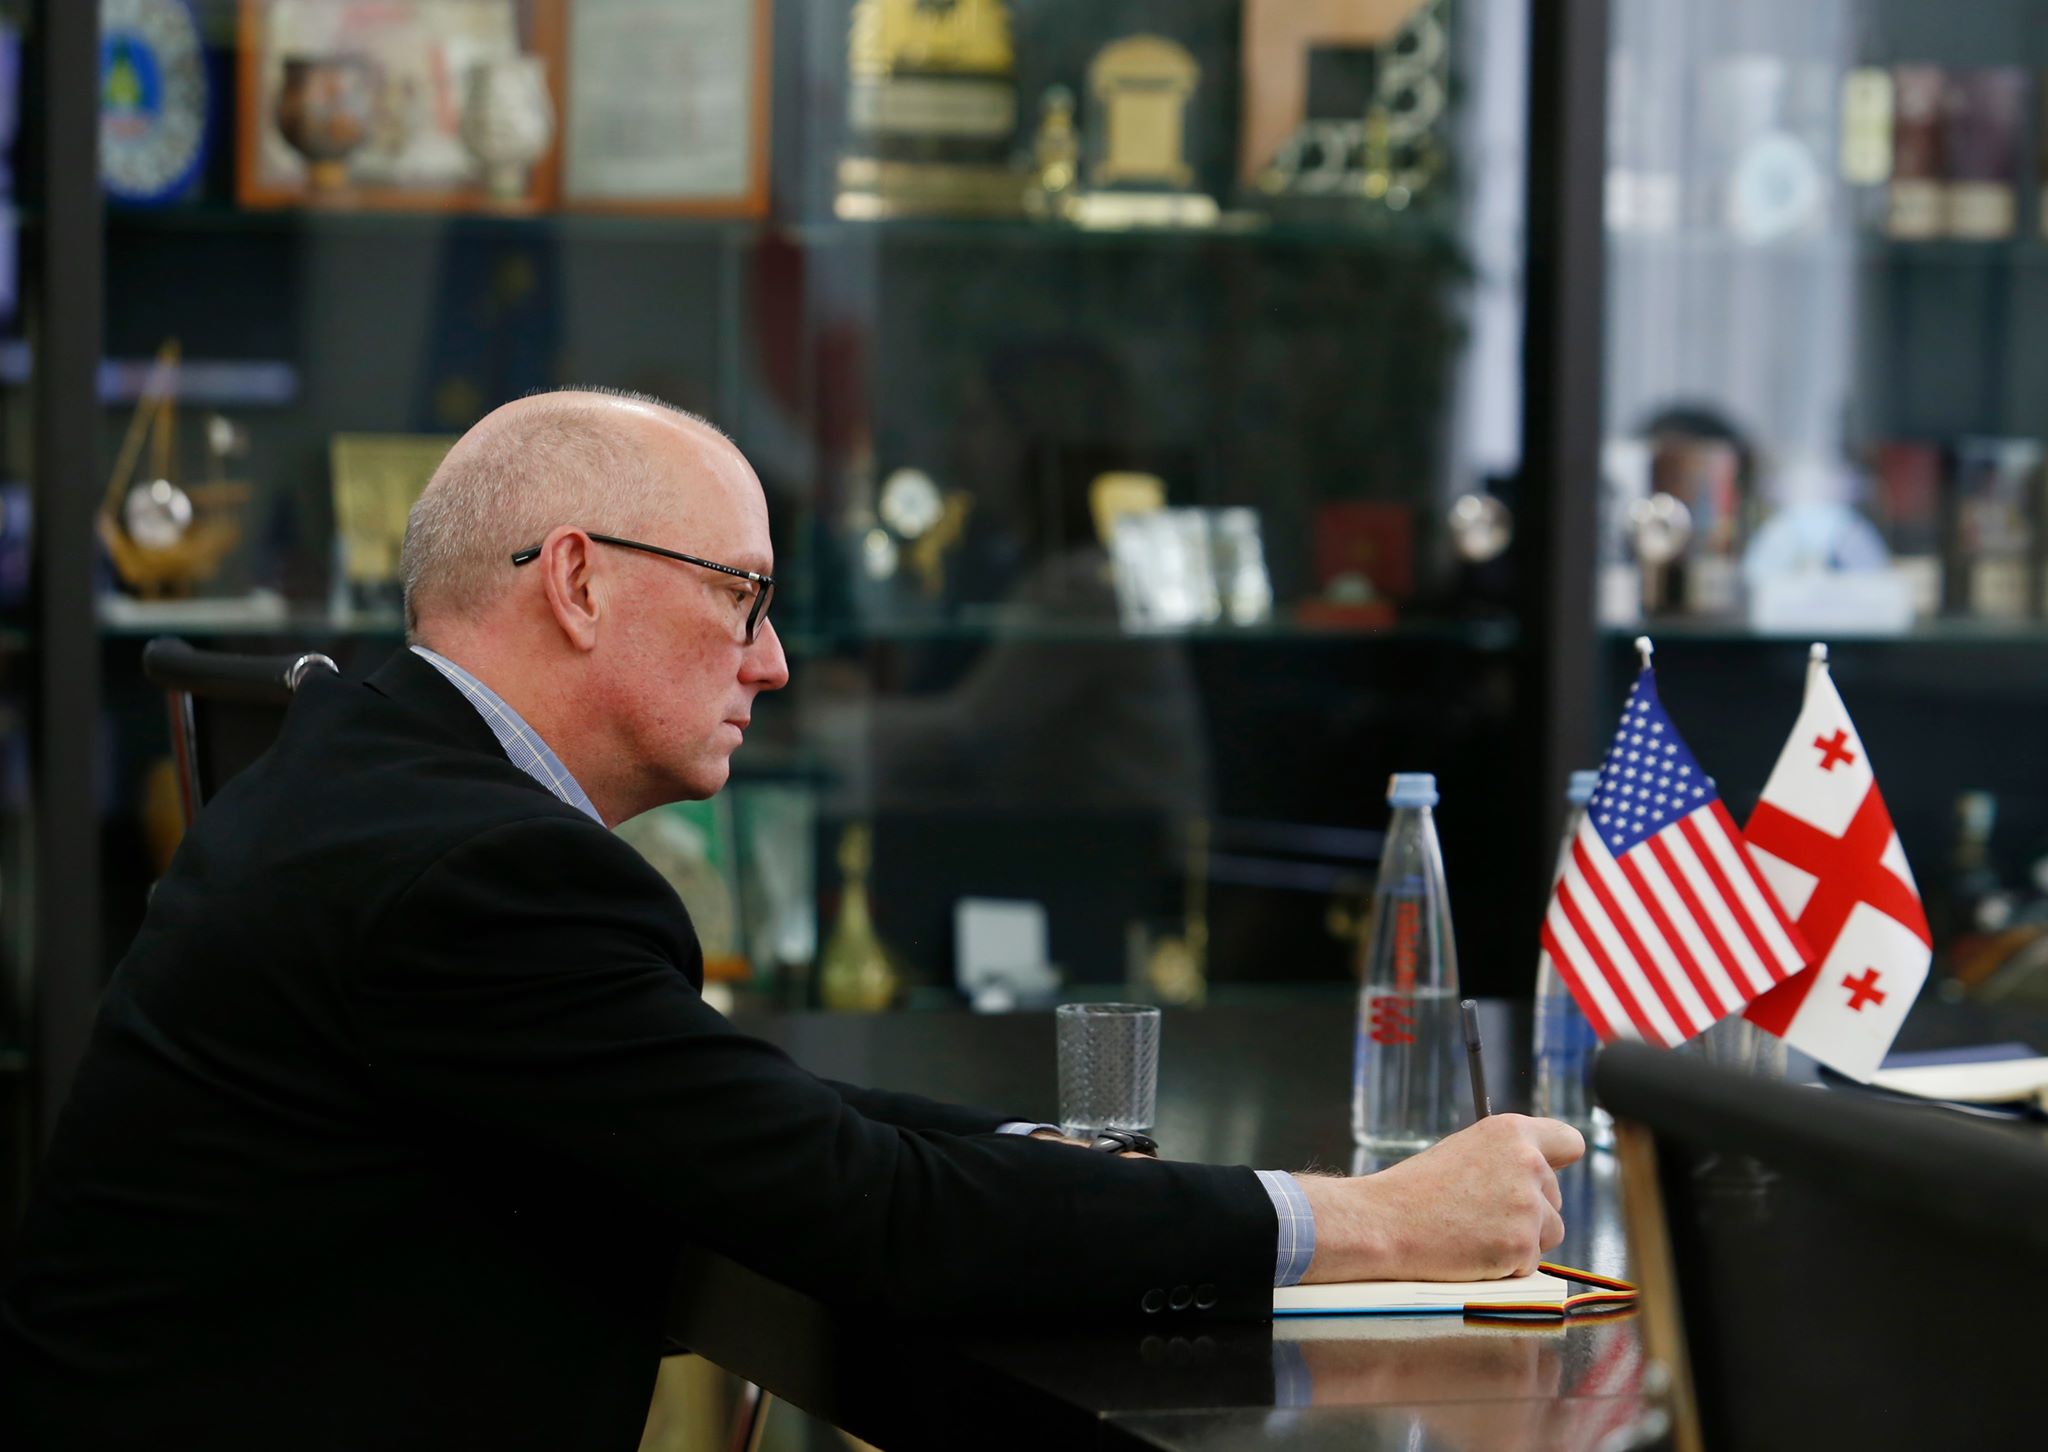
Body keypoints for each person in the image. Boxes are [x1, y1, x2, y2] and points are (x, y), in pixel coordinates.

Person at [1, 391, 1582, 1451]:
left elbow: (746, 1113)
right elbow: (863, 1213)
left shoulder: (373, 767)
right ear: (578, 582)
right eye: (742, 597)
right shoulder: (480, 873)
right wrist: (1378, 1225)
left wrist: (1014, 1158)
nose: (768, 662)